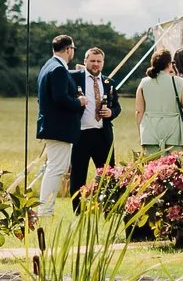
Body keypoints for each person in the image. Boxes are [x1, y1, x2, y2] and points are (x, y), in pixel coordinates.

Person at [34, 34, 85, 209]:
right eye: (73, 49)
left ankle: (45, 209)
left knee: (55, 168)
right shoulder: (59, 69)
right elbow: (60, 98)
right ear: (69, 49)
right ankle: (45, 210)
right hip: (59, 127)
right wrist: (79, 102)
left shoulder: (48, 66)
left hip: (51, 125)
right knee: (56, 169)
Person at [66, 45, 121, 197]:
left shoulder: (109, 82)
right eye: (92, 61)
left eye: (99, 61)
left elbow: (117, 106)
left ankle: (106, 207)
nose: (96, 64)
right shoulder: (73, 78)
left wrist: (111, 112)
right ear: (85, 61)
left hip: (102, 135)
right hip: (80, 135)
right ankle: (78, 209)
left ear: (103, 63)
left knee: (108, 176)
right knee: (78, 177)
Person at [138, 52, 183, 151]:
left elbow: (139, 111)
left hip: (150, 131)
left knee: (153, 161)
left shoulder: (144, 82)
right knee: (174, 161)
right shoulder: (177, 81)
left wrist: (140, 133)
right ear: (169, 64)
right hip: (174, 131)